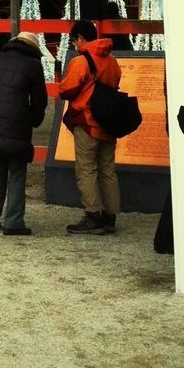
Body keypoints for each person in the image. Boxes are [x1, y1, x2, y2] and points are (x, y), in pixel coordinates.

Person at [0, 31, 47, 235]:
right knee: (16, 169)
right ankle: (14, 221)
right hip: (16, 122)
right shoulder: (32, 65)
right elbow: (39, 99)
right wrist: (34, 119)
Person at [58, 19, 122, 235]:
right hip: (109, 122)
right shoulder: (112, 60)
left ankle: (93, 215)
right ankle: (110, 216)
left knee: (86, 168)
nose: (75, 44)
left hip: (87, 120)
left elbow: (67, 90)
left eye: (74, 40)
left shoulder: (81, 60)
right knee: (107, 169)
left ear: (80, 38)